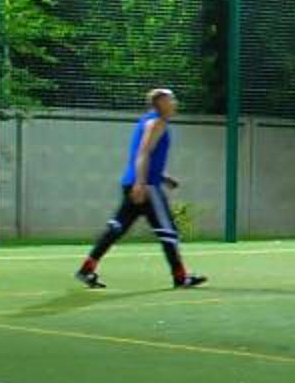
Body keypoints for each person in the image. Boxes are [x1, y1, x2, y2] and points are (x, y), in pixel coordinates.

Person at [75, 87, 205, 290]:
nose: (175, 103)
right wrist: (142, 183)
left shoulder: (147, 121)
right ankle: (181, 277)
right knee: (168, 231)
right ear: (160, 102)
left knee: (116, 228)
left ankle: (86, 269)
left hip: (134, 182)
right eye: (171, 99)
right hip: (147, 187)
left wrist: (163, 177)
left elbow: (145, 155)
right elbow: (143, 153)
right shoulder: (157, 123)